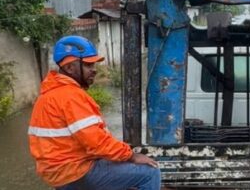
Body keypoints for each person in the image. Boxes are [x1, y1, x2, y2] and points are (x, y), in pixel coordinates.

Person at [28, 35, 160, 190]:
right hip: (75, 171)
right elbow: (96, 142)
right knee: (150, 172)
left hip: (59, 171)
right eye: (88, 65)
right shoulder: (71, 96)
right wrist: (132, 156)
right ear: (70, 67)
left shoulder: (49, 94)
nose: (94, 70)